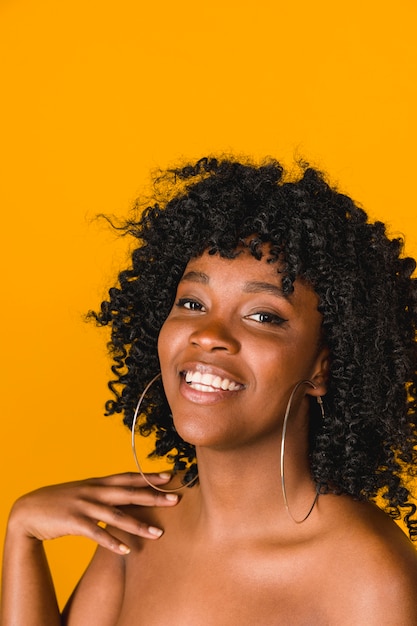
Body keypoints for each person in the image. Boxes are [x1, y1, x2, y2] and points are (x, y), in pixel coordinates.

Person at [1, 157, 417, 625]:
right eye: (193, 303)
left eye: (263, 316)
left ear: (323, 368)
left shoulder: (367, 574)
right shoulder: (143, 525)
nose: (209, 333)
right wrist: (23, 536)